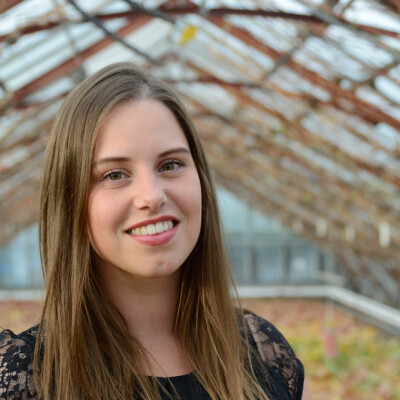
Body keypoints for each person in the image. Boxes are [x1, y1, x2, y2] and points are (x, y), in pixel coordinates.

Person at [0, 62, 312, 400]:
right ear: (71, 200)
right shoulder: (25, 379)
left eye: (171, 165)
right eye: (114, 175)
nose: (152, 196)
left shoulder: (266, 357)